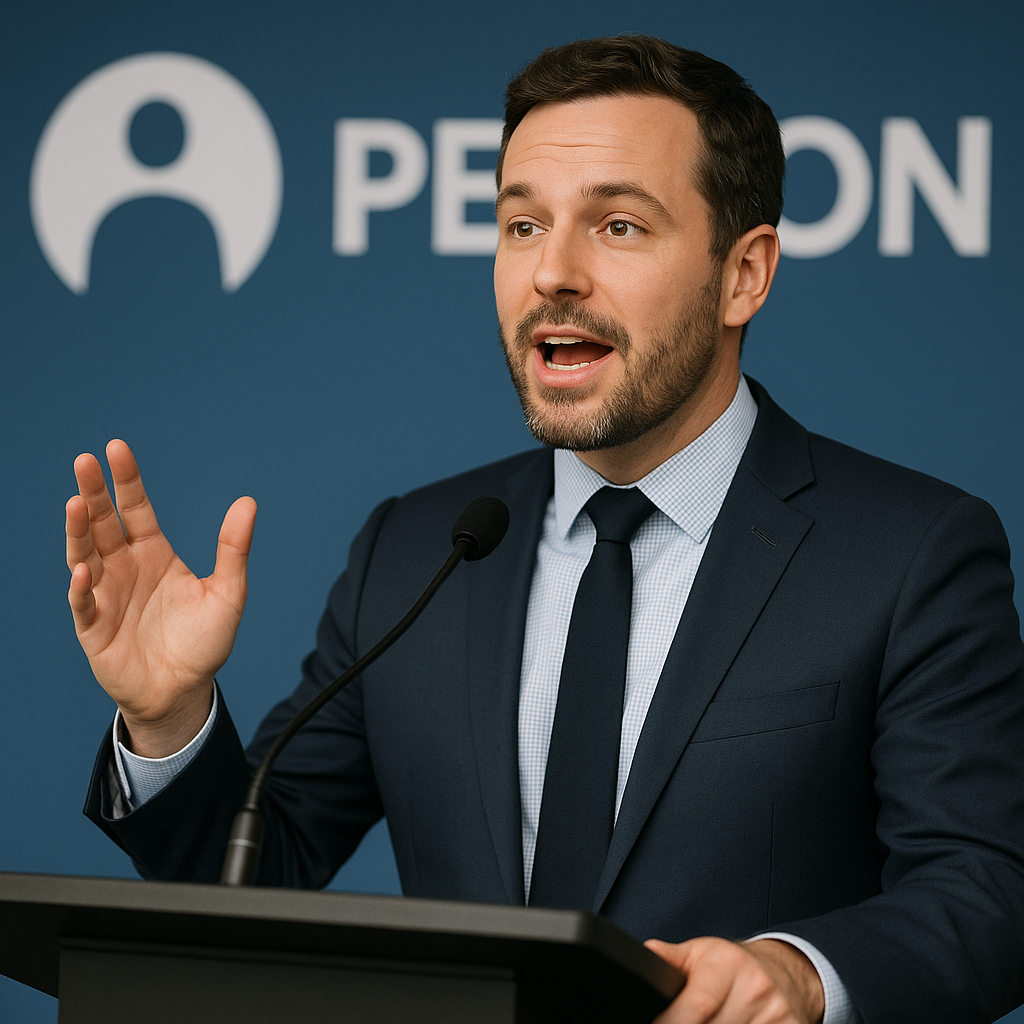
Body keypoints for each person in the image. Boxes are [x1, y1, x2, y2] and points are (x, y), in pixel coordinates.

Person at [67, 36, 1024, 1024]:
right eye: (522, 224)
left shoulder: (910, 552)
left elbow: (987, 894)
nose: (553, 273)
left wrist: (797, 972)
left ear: (745, 273)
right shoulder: (418, 546)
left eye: (616, 224)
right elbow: (256, 877)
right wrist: (172, 718)